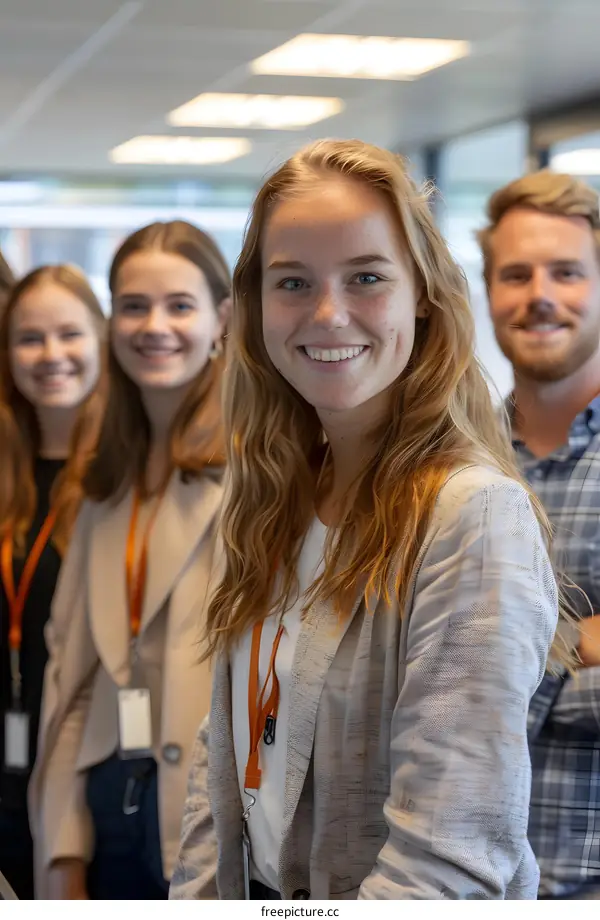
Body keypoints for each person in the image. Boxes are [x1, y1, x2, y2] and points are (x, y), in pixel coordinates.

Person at [170, 139, 564, 901]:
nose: (328, 313)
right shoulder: (272, 499)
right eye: (293, 281)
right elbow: (222, 760)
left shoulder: (472, 517)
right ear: (254, 304)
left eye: (366, 277)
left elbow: (447, 857)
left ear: (422, 292)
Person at [29, 221, 230, 899]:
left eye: (179, 305)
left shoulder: (263, 471)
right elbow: (72, 680)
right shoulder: (102, 480)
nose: (155, 326)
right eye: (134, 305)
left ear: (222, 319)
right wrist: (62, 855)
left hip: (212, 826)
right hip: (107, 808)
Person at [479, 170, 600, 900]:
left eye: (567, 272)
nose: (539, 294)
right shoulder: (452, 459)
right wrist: (575, 644)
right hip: (472, 876)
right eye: (515, 274)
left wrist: (498, 661)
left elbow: (459, 671)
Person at [0, 265, 105, 899]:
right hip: (5, 776)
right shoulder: (6, 475)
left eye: (69, 334)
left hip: (91, 780)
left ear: (101, 339)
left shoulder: (122, 480)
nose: (51, 356)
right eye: (29, 339)